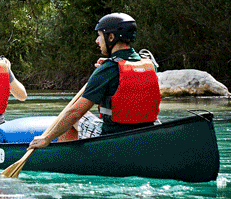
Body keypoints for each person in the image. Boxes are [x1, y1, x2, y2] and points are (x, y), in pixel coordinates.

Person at [28, 12, 161, 150]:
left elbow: (75, 113)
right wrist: (110, 63)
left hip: (112, 138)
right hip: (145, 134)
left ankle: (67, 157)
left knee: (74, 117)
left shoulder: (108, 69)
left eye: (99, 35)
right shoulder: (149, 65)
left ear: (111, 37)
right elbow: (128, 66)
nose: (97, 41)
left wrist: (47, 138)